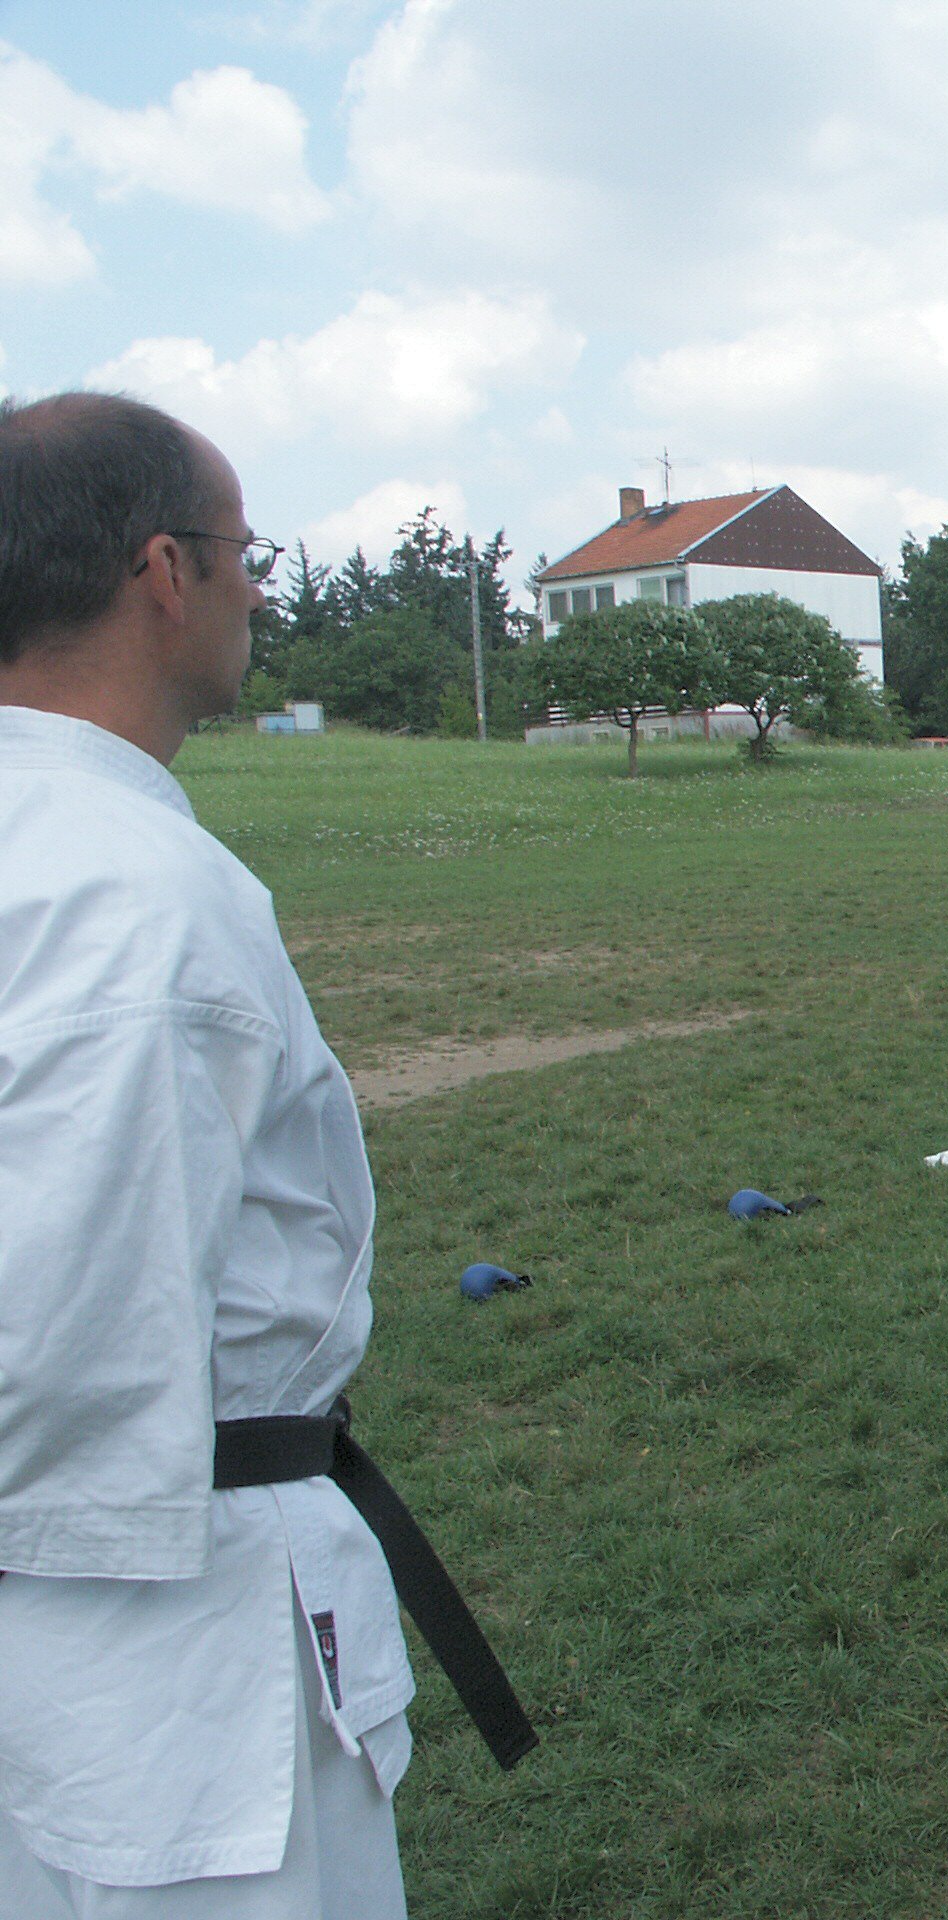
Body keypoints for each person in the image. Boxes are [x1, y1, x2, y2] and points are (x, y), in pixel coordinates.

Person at [0, 393, 529, 1920]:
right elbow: (60, 1339)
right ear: (165, 572)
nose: (259, 591)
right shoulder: (127, 894)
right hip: (156, 1692)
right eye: (248, 554)